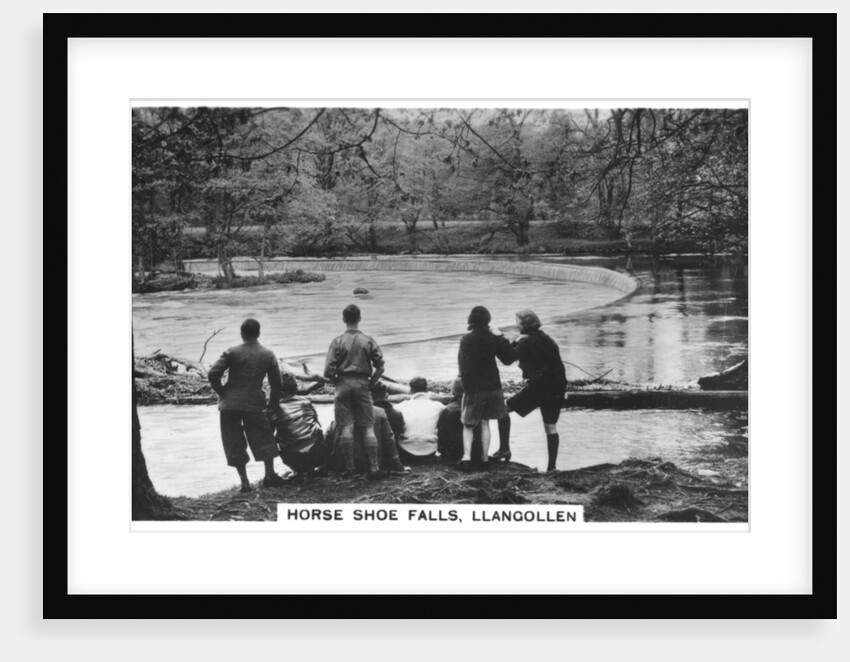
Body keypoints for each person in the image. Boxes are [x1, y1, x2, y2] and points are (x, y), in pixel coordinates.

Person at [207, 318, 288, 492]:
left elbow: (213, 374)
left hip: (229, 405)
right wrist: (273, 405)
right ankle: (270, 475)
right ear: (258, 333)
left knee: (234, 442)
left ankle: (245, 482)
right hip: (254, 403)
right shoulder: (268, 354)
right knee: (264, 437)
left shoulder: (232, 352)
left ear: (242, 334)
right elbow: (276, 384)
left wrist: (222, 392)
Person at [323, 304, 385, 479]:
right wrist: (371, 383)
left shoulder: (337, 341)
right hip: (362, 383)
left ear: (344, 319)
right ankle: (374, 468)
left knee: (346, 427)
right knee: (367, 427)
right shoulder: (368, 340)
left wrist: (337, 381)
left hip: (342, 384)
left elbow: (327, 371)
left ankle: (350, 468)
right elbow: (380, 367)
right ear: (359, 319)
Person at [501, 309, 567, 472]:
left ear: (523, 325)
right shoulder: (547, 338)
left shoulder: (527, 341)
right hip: (557, 386)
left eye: (517, 323)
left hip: (539, 386)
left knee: (501, 410)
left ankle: (504, 449)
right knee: (550, 426)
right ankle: (552, 468)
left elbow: (508, 358)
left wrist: (504, 340)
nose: (516, 325)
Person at [457, 306, 516, 471]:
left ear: (471, 321)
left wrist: (466, 389)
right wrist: (501, 336)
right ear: (488, 321)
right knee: (485, 422)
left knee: (468, 424)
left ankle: (467, 458)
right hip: (493, 386)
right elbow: (509, 358)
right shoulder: (493, 338)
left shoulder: (466, 340)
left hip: (475, 388)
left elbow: (463, 367)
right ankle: (484, 459)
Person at [267, 373, 327, 483]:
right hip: (317, 454)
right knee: (321, 431)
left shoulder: (273, 409)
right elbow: (316, 422)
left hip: (293, 458)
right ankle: (315, 468)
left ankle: (298, 472)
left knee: (278, 437)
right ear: (296, 388)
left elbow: (269, 434)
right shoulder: (306, 402)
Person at [394, 377, 446, 463]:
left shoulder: (399, 407)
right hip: (430, 451)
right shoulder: (439, 406)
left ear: (410, 390)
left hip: (406, 451)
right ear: (426, 389)